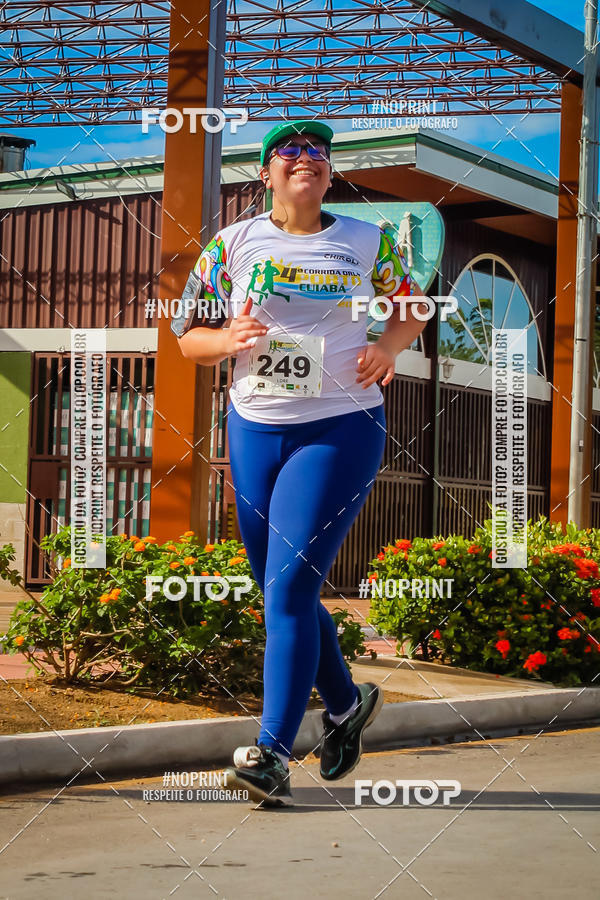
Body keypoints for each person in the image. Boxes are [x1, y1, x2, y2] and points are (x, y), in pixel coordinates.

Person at [173, 120, 428, 807]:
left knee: (287, 590)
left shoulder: (366, 240)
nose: (306, 158)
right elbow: (184, 337)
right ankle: (346, 704)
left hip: (340, 427)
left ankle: (273, 755)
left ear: (329, 172)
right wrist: (226, 337)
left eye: (318, 151)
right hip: (255, 428)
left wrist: (391, 347)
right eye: (290, 150)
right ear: (266, 174)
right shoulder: (232, 243)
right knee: (278, 586)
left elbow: (412, 307)